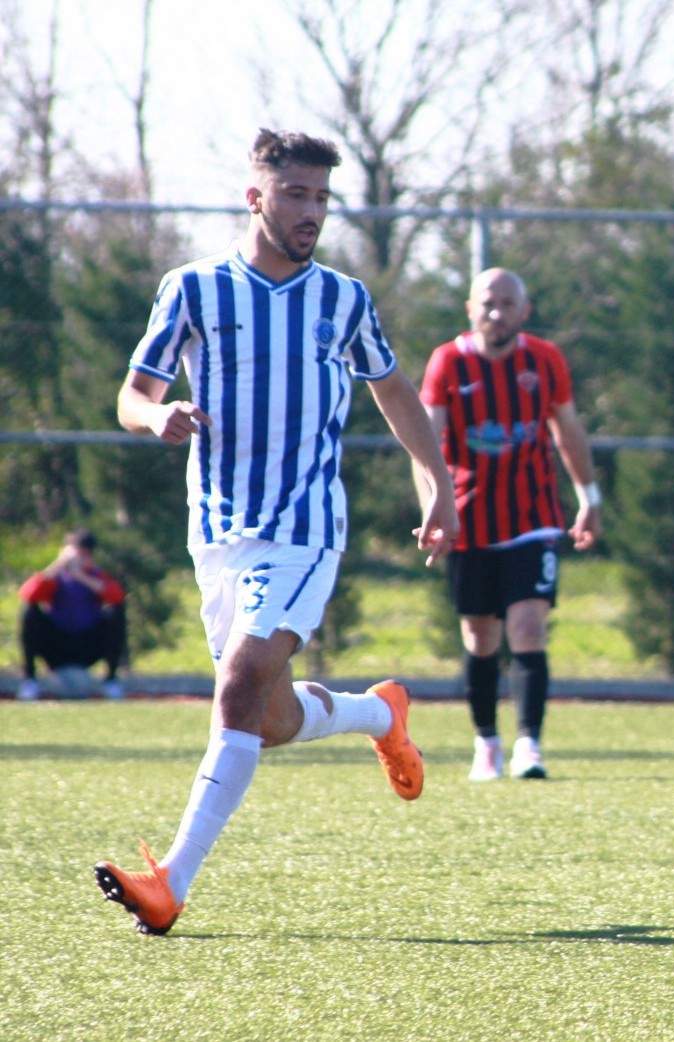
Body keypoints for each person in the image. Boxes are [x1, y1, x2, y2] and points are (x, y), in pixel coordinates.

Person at [93, 128, 458, 936]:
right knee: (264, 714)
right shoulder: (191, 289)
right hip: (219, 531)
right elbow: (132, 393)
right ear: (254, 196)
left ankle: (170, 884)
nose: (312, 212)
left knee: (239, 681)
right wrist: (157, 416)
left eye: (323, 198)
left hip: (304, 526)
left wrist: (436, 483)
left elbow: (395, 393)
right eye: (296, 194)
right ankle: (377, 715)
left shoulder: (343, 299)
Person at [419, 267, 601, 782]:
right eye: (487, 303)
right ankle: (487, 743)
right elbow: (425, 444)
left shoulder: (543, 360)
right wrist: (435, 506)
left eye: (506, 303)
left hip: (533, 518)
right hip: (469, 519)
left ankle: (529, 745)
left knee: (527, 625)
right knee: (480, 636)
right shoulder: (448, 362)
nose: (496, 312)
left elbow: (568, 429)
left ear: (525, 310)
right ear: (470, 308)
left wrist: (589, 497)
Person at [17, 529, 128, 700]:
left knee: (115, 613)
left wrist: (81, 575)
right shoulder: (54, 577)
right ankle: (30, 680)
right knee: (29, 612)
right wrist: (58, 566)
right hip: (56, 645)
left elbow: (117, 597)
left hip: (87, 646)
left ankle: (110, 681)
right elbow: (28, 594)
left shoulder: (97, 576)